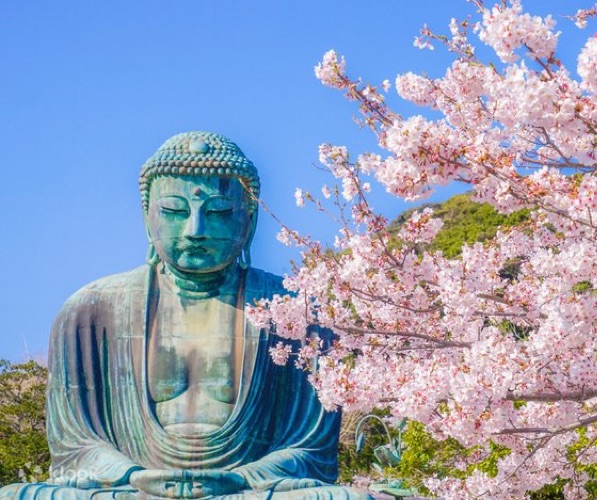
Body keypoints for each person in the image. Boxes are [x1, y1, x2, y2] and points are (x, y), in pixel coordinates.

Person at [0, 132, 371, 499]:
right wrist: (135, 476)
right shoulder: (90, 311)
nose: (196, 230)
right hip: (132, 489)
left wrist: (240, 478)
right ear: (147, 218)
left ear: (250, 219)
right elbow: (75, 449)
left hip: (248, 489)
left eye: (219, 212)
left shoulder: (299, 312)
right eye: (175, 211)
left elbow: (311, 451)